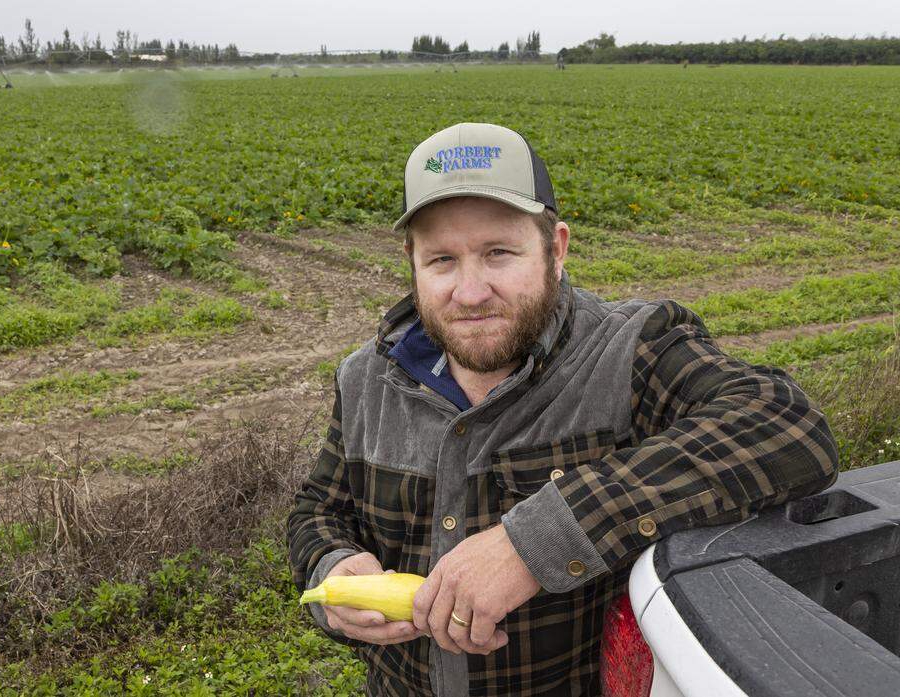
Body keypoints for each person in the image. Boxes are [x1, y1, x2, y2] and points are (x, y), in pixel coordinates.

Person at [286, 122, 839, 696]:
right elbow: (319, 509)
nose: (470, 292)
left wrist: (536, 542)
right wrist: (332, 567)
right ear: (412, 261)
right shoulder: (366, 379)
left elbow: (784, 426)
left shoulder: (629, 350)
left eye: (499, 253)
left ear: (556, 248)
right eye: (442, 260)